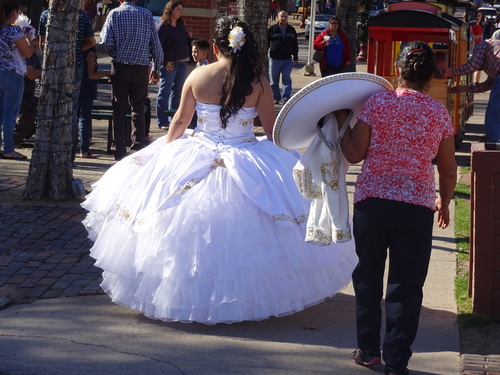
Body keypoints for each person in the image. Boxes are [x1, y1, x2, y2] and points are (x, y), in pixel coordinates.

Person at [81, 16, 357, 325]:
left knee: (183, 229)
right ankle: (244, 297)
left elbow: (180, 123)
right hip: (245, 151)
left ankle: (190, 294)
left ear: (215, 46)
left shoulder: (198, 77)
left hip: (199, 149)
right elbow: (271, 129)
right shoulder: (258, 82)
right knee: (257, 231)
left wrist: (162, 150)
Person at [340, 41, 457, 375]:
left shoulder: (376, 103)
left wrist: (341, 127)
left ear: (398, 68)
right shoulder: (437, 112)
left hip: (372, 202)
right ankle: (397, 361)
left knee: (368, 276)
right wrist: (443, 202)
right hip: (416, 206)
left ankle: (368, 350)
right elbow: (448, 169)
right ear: (430, 76)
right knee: (406, 285)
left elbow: (354, 153)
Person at [100, 0, 163, 160]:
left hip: (120, 67)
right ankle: (138, 144)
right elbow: (156, 45)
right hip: (141, 68)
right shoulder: (147, 14)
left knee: (119, 108)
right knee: (139, 107)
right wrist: (156, 68)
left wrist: (115, 53)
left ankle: (119, 147)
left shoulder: (114, 14)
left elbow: (106, 42)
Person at [39, 6, 95, 162]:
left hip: (51, 66)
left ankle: (46, 151)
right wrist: (77, 49)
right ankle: (69, 154)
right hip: (74, 66)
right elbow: (91, 41)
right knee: (72, 110)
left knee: (48, 108)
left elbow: (41, 44)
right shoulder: (82, 16)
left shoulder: (46, 15)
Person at [444, 38, 500, 142]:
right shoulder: (494, 54)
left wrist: (454, 72)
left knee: (493, 118)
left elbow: (474, 65)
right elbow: (489, 84)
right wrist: (464, 89)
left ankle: (494, 150)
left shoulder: (483, 44)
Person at [0, 0, 35, 160]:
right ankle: (8, 148)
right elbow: (27, 53)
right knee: (10, 116)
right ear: (13, 12)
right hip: (13, 75)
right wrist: (28, 39)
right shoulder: (14, 31)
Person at [156, 0, 191, 129]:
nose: (180, 12)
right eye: (178, 10)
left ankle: (174, 120)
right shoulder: (163, 27)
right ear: (170, 10)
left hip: (183, 62)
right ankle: (162, 121)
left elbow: (183, 43)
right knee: (164, 92)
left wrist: (189, 37)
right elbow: (157, 47)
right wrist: (164, 62)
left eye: (181, 10)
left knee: (177, 93)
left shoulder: (181, 25)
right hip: (170, 64)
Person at [77, 47, 110, 158]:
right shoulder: (90, 54)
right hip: (86, 89)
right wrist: (106, 73)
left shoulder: (76, 51)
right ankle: (84, 150)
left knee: (75, 118)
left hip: (76, 88)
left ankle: (74, 148)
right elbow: (91, 75)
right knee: (84, 119)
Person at [13, 15, 41, 146]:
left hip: (27, 94)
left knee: (47, 107)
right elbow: (31, 74)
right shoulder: (24, 53)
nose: (35, 42)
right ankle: (15, 136)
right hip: (19, 94)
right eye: (32, 38)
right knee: (35, 109)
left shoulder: (32, 53)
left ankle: (20, 136)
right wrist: (50, 72)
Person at [267, 10, 298, 104]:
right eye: (282, 17)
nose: (283, 18)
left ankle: (286, 97)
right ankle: (276, 97)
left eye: (285, 17)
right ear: (278, 17)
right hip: (274, 59)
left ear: (288, 18)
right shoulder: (272, 29)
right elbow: (267, 43)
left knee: (286, 79)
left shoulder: (291, 30)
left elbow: (295, 44)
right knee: (273, 80)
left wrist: (295, 57)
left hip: (287, 59)